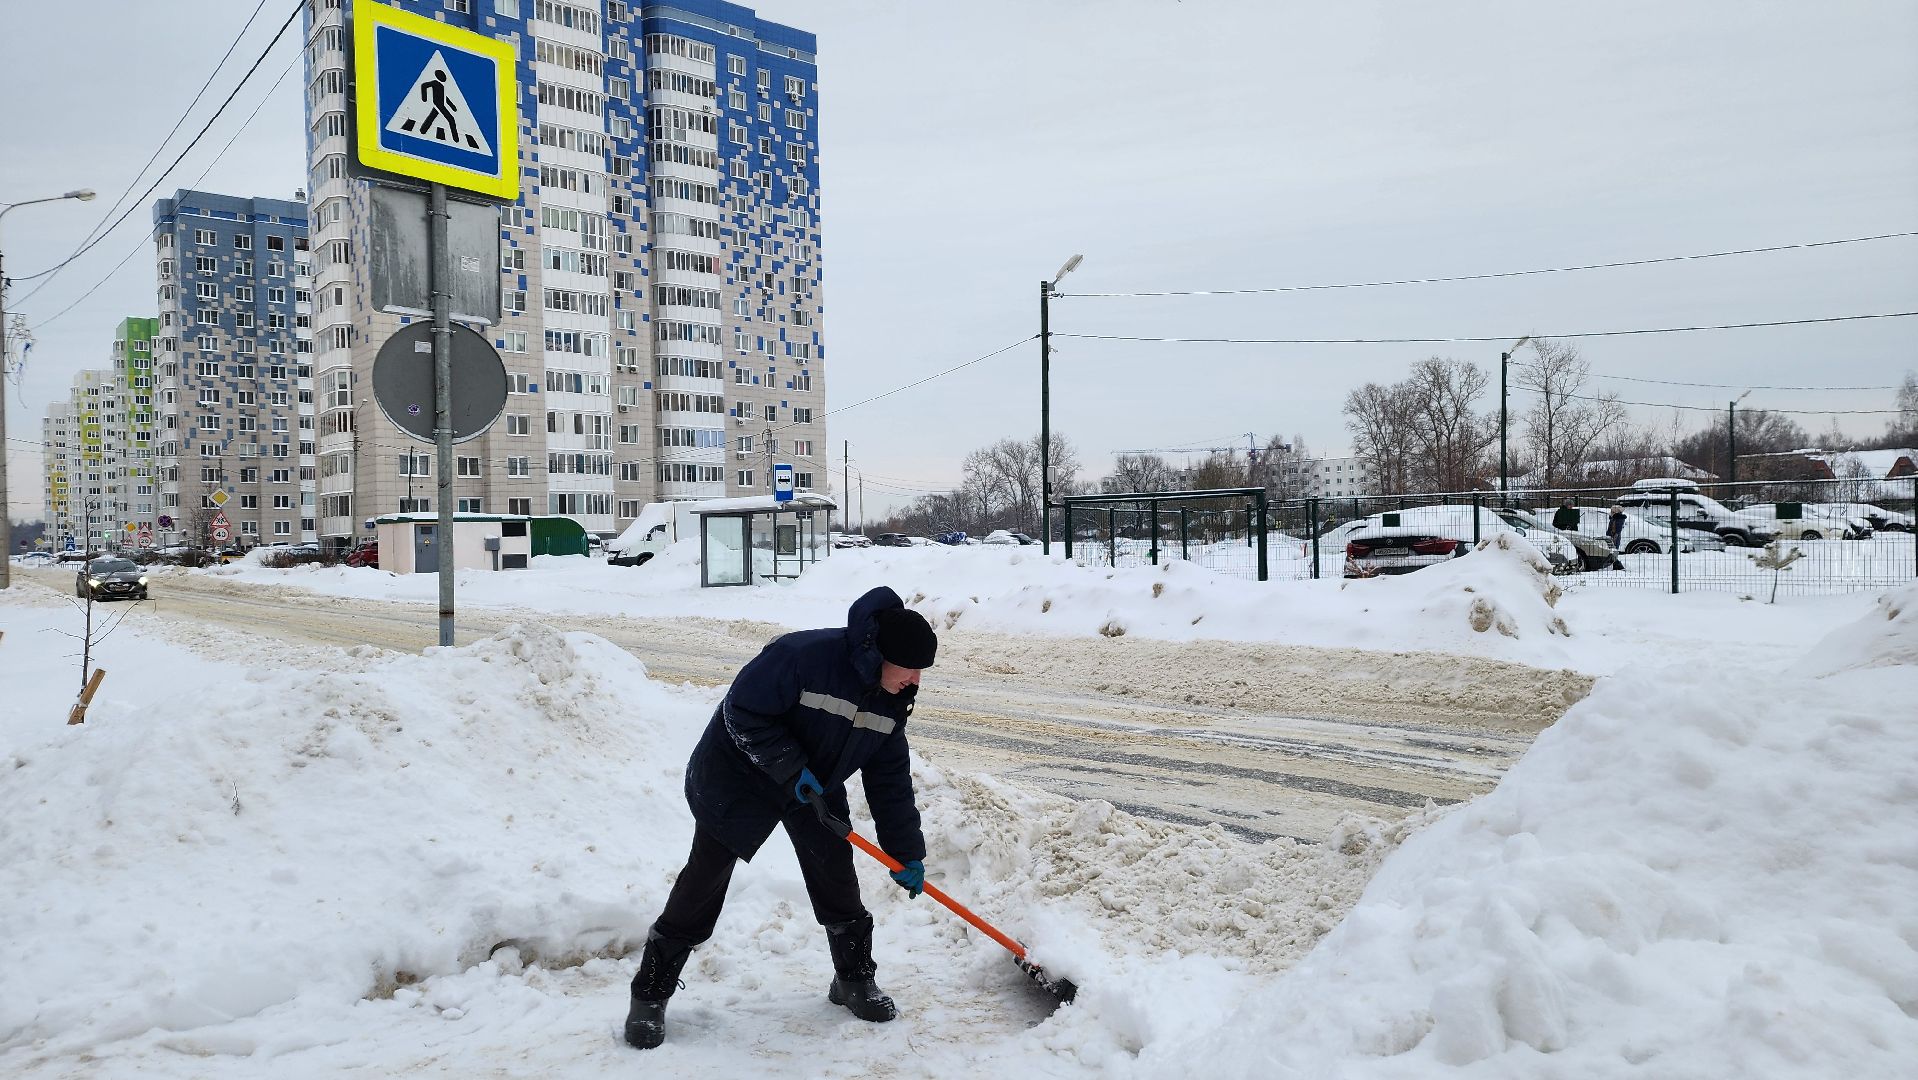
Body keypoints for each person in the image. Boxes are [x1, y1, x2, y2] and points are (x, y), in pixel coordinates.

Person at [624, 586, 938, 1050]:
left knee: (835, 872)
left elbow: (889, 779)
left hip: (814, 785)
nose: (915, 679)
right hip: (739, 775)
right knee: (705, 878)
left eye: (922, 670)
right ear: (880, 655)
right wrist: (791, 769)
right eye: (909, 667)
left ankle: (853, 978)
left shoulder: (892, 698)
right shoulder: (802, 656)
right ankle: (650, 993)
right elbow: (742, 710)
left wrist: (906, 851)